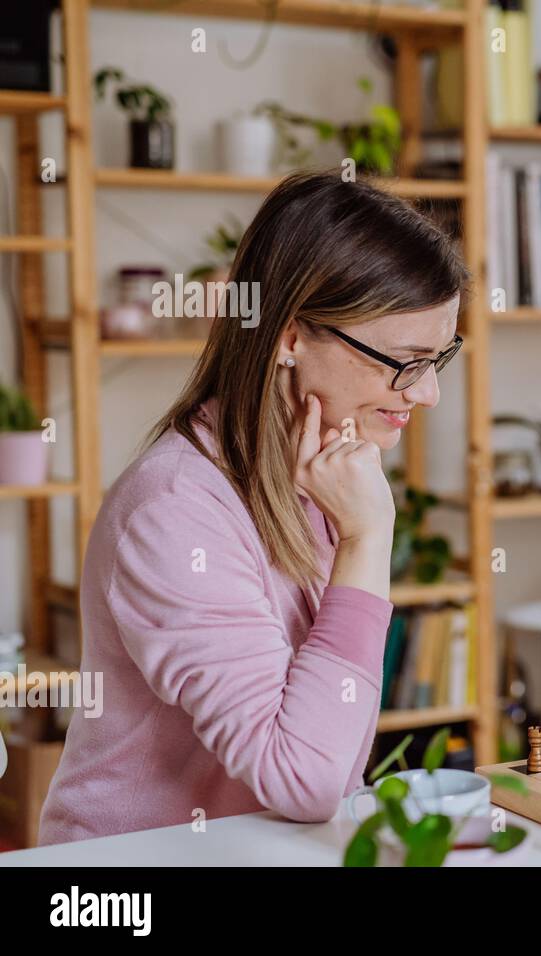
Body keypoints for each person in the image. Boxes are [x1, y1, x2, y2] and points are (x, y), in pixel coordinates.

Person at [39, 171, 469, 844]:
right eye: (405, 362)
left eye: (439, 356)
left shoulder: (325, 473)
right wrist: (368, 539)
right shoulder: (175, 512)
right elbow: (307, 779)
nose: (428, 393)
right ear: (290, 337)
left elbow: (335, 751)